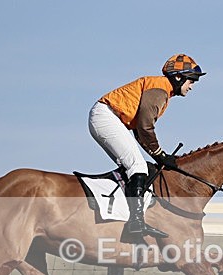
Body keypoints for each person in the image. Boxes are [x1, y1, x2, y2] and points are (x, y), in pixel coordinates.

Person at [88, 54, 205, 239]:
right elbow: (145, 127)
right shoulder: (160, 90)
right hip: (106, 117)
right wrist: (160, 154)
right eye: (191, 81)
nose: (192, 86)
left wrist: (159, 154)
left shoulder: (162, 90)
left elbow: (140, 131)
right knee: (138, 166)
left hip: (107, 117)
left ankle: (124, 214)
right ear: (178, 77)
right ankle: (136, 221)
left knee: (135, 167)